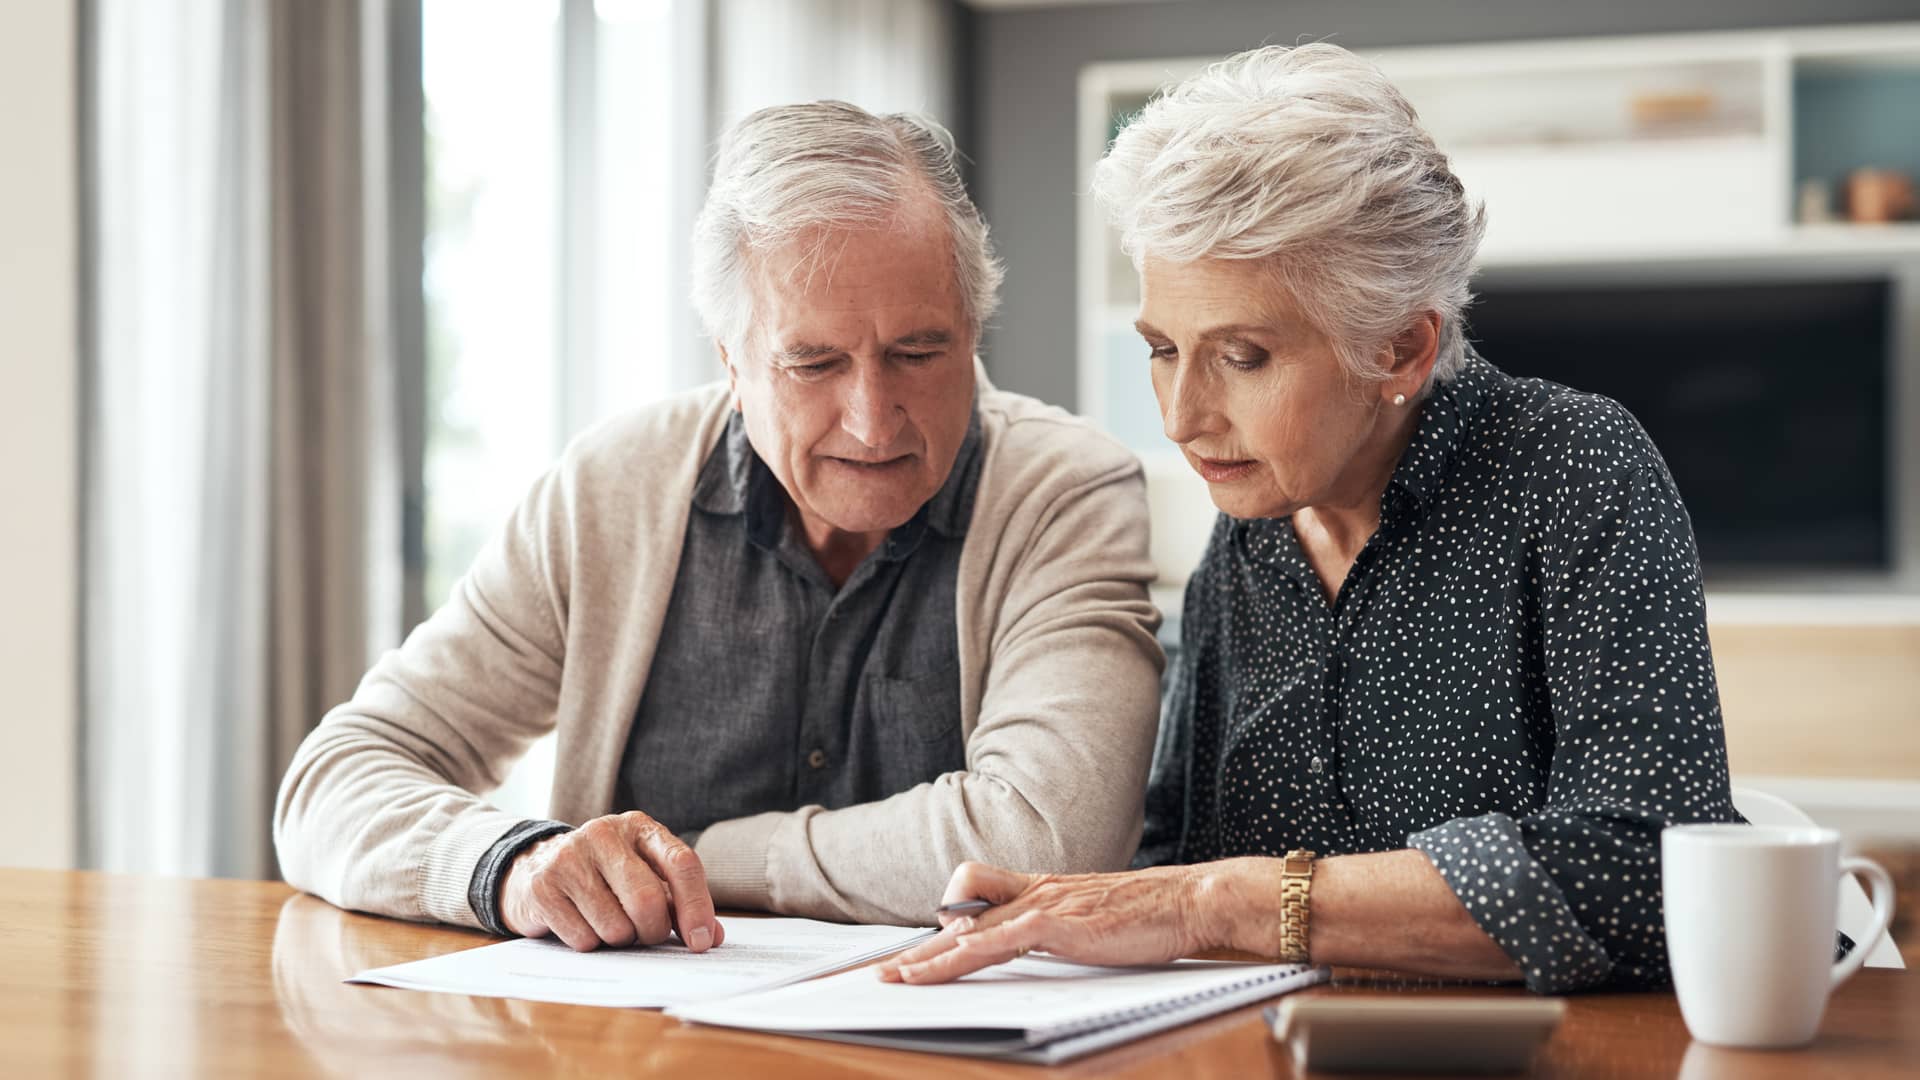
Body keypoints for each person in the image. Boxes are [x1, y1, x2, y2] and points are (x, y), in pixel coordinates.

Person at [879, 43, 1741, 994]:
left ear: (1401, 350)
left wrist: (1220, 904)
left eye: (1242, 356)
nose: (1181, 418)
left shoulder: (1576, 471)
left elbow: (1648, 870)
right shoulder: (1247, 534)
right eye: (1164, 348)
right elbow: (1184, 848)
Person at [274, 102, 1164, 953]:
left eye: (918, 353)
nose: (872, 418)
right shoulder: (609, 492)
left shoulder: (1064, 491)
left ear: (973, 331)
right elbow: (337, 778)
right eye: (813, 362)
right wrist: (517, 864)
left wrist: (707, 855)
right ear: (732, 362)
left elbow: (1049, 839)